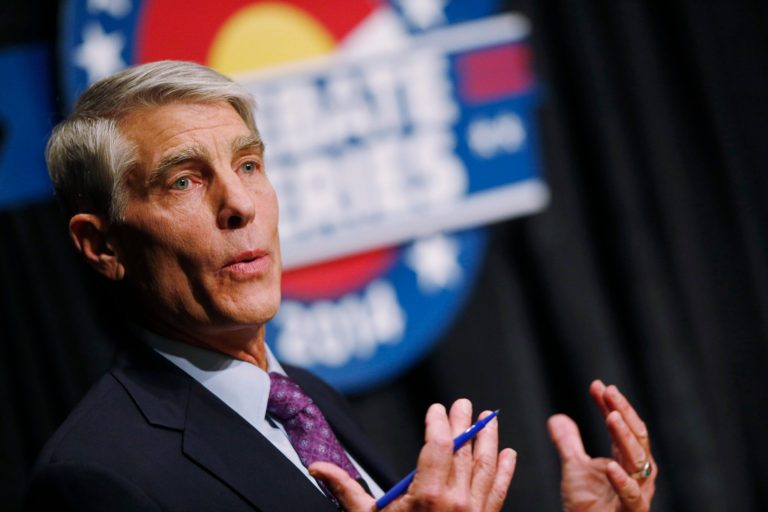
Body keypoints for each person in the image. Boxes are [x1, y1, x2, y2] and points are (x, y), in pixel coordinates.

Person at [27, 60, 657, 511]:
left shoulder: (307, 398)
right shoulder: (96, 477)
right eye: (184, 181)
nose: (240, 204)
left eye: (248, 164)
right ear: (103, 246)